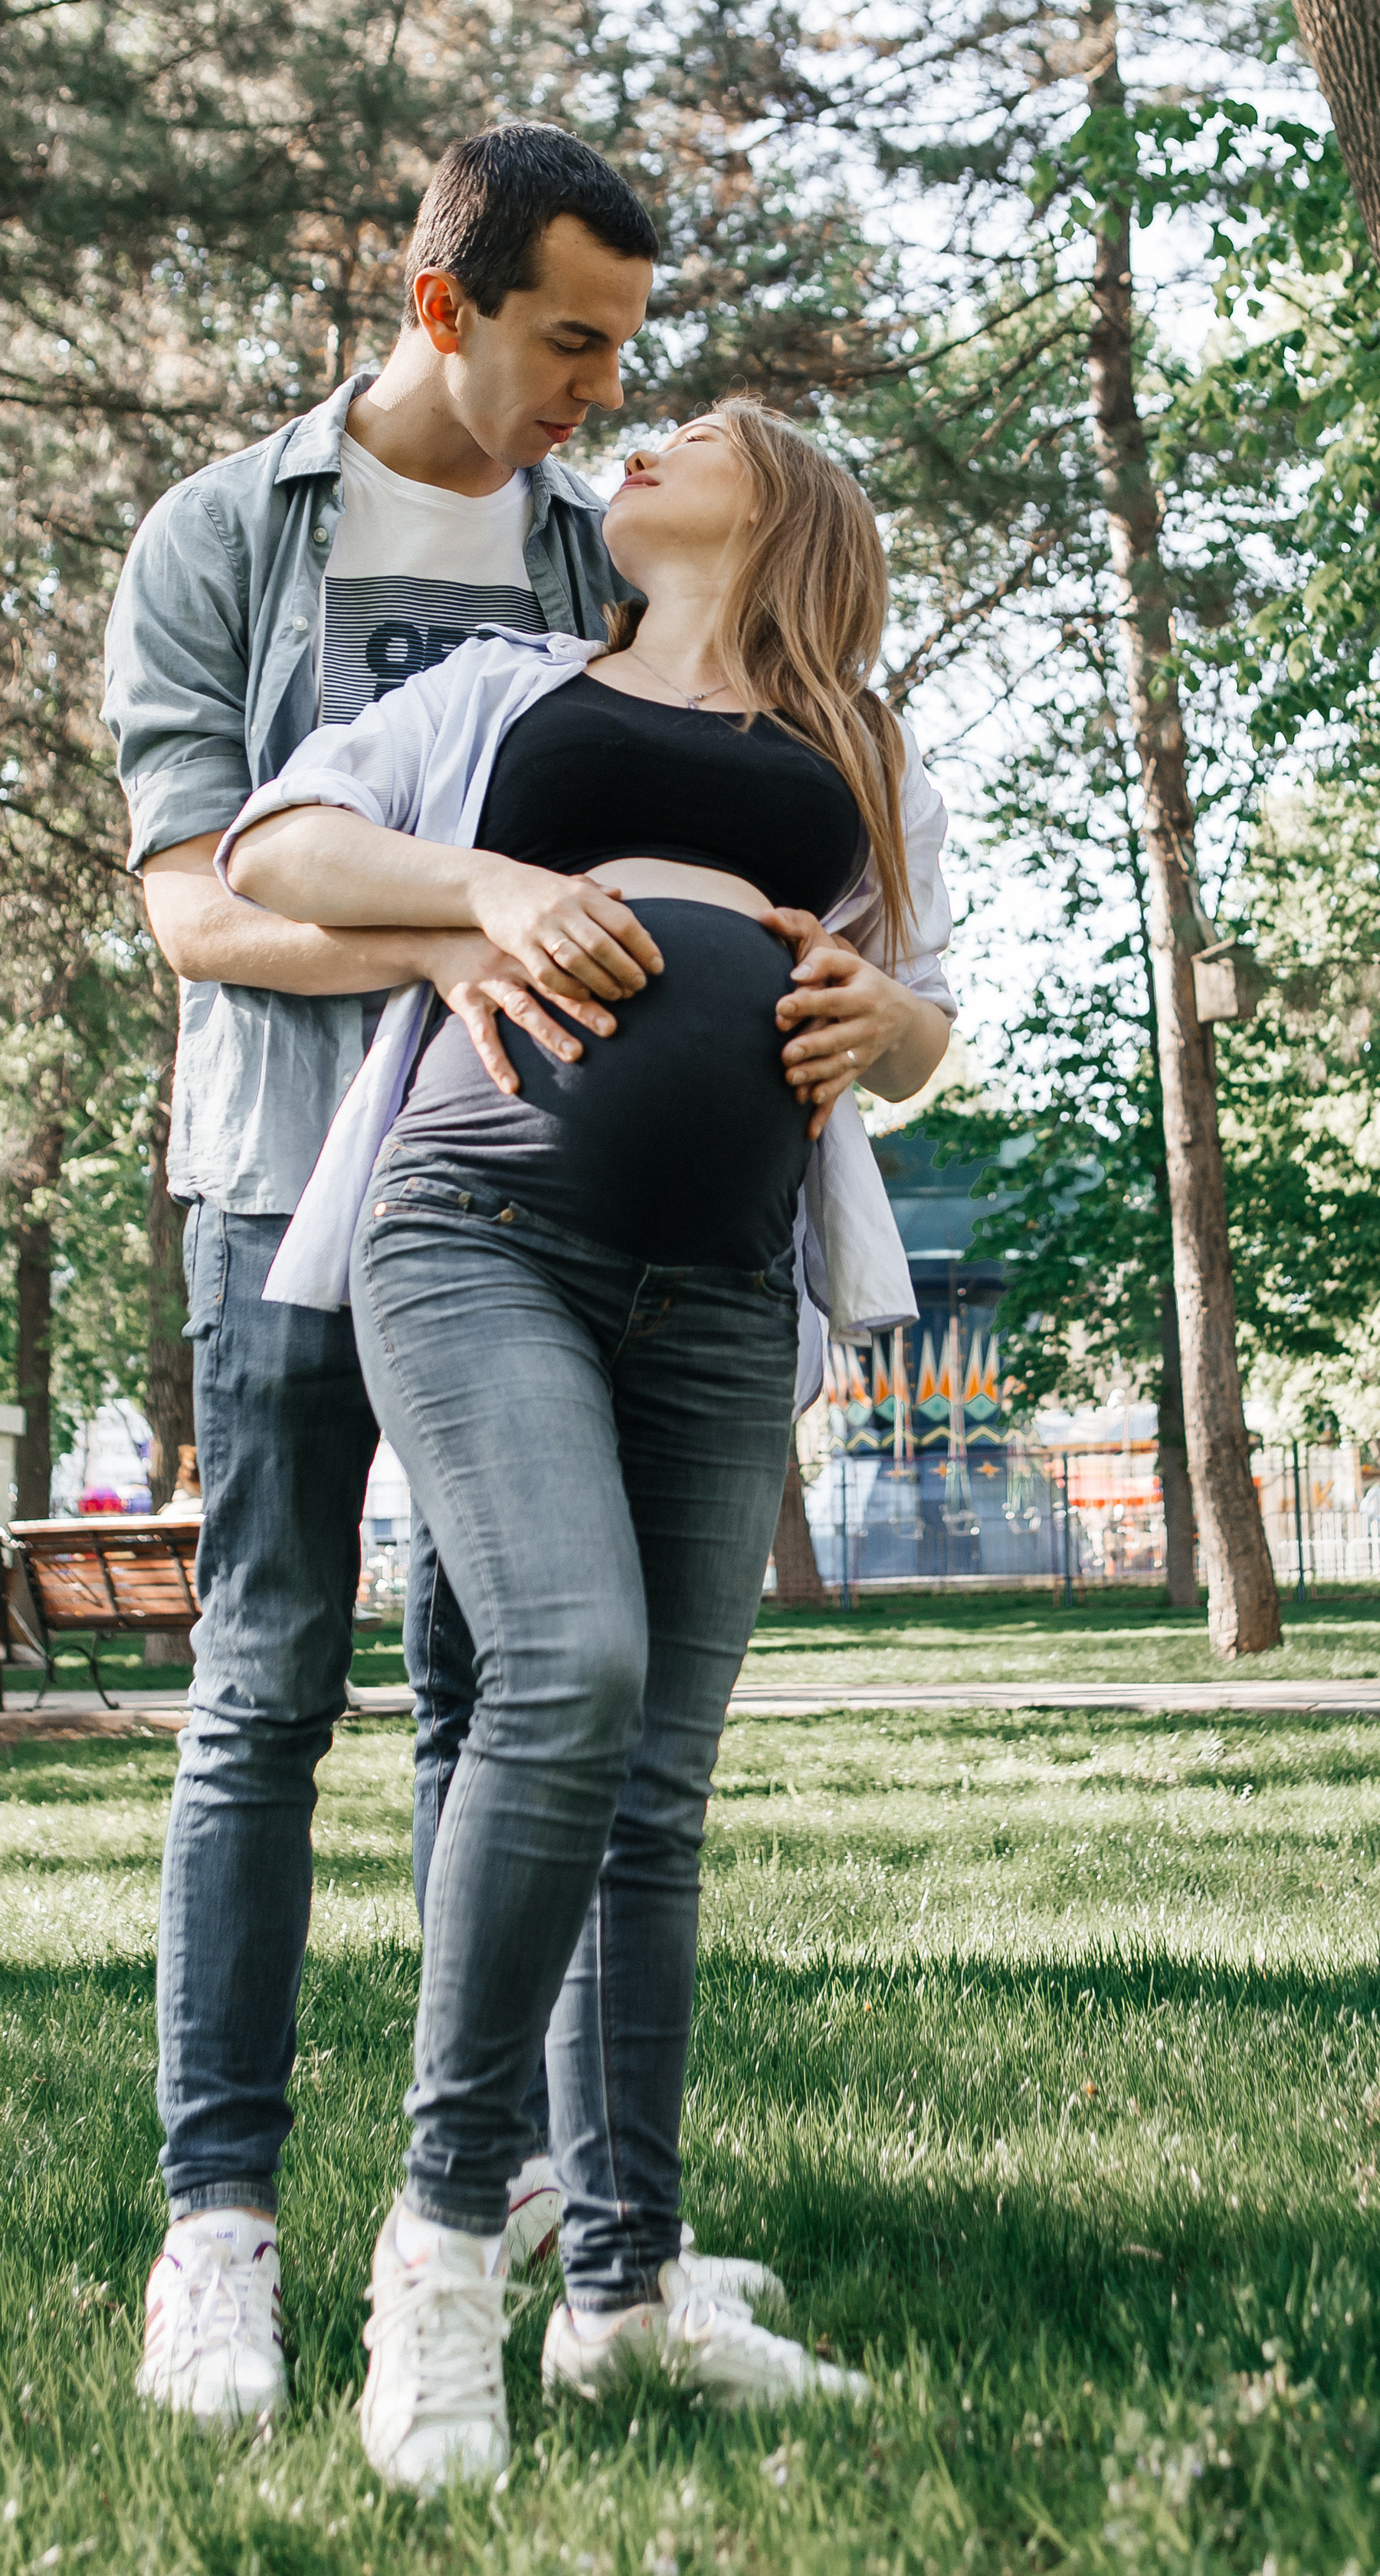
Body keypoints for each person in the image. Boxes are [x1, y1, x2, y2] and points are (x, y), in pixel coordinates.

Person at [221, 400, 956, 2488]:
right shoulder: (500, 693)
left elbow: (923, 1011)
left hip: (727, 1290)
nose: (631, 442)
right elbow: (282, 846)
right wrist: (497, 897)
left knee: (655, 1796)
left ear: (787, 499)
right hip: (478, 1231)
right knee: (566, 1671)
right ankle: (447, 2246)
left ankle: (624, 2299)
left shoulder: (863, 749)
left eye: (690, 430)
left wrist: (877, 1024)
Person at [103, 124, 670, 2427]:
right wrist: (475, 906)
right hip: (274, 1189)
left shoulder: (595, 558)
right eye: (570, 343)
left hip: (512, 1196)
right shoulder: (227, 537)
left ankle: (507, 2181)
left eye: (626, 353)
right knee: (265, 1696)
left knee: (493, 1694)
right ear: (441, 306)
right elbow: (197, 906)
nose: (602, 399)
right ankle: (214, 2233)